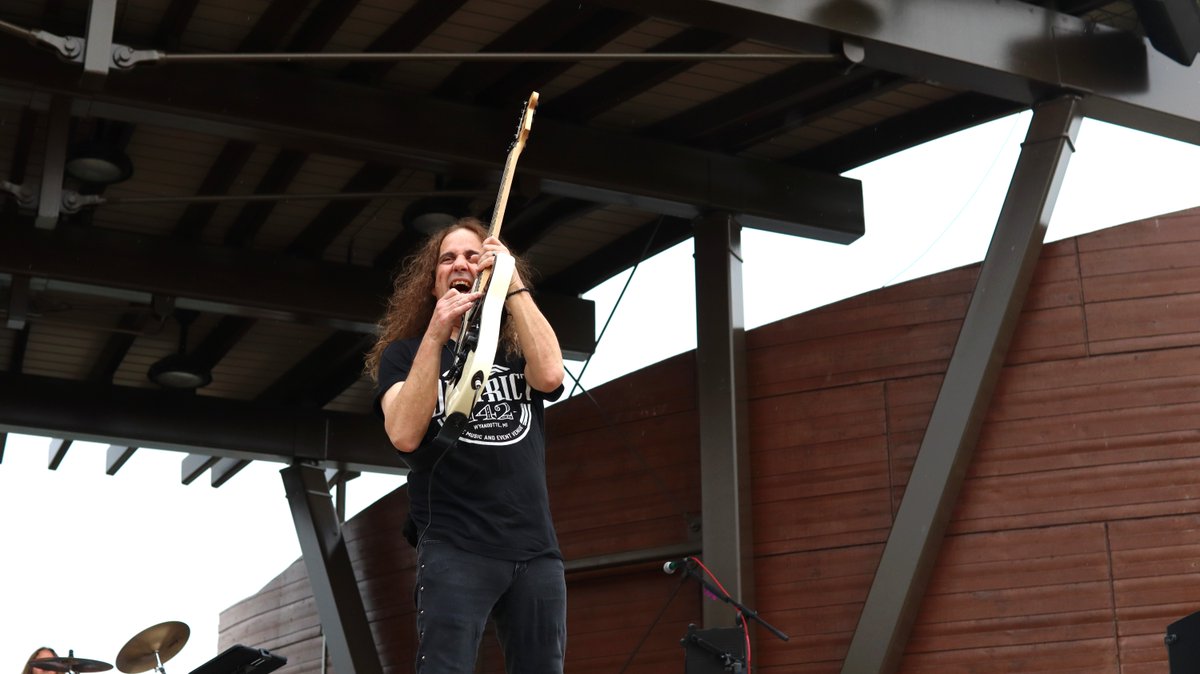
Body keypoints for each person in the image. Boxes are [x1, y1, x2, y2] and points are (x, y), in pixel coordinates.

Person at [365, 217, 567, 674]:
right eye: (447, 258)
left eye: (473, 256)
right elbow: (403, 433)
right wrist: (436, 334)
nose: (460, 264)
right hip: (455, 545)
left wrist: (511, 281)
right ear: (432, 281)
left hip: (534, 547)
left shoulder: (514, 349)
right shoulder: (405, 354)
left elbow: (551, 375)